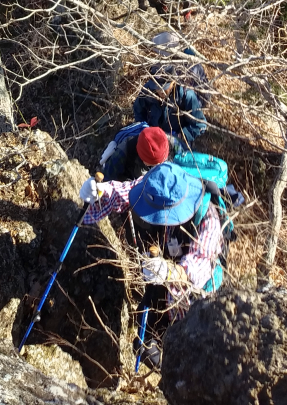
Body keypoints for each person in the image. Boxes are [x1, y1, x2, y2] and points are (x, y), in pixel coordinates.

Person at [79, 161, 223, 367]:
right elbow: (126, 192)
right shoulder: (157, 182)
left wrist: (168, 271)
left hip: (196, 299)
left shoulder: (208, 220)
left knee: (185, 354)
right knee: (147, 341)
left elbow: (198, 268)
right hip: (161, 278)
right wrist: (101, 192)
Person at [133, 71, 207, 147]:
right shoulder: (148, 90)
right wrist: (144, 129)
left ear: (173, 81)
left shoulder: (186, 95)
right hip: (152, 136)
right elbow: (138, 111)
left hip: (176, 138)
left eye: (164, 87)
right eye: (157, 87)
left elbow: (200, 124)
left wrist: (182, 136)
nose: (161, 91)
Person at [101, 125, 182, 182]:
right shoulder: (122, 153)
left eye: (161, 162)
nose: (158, 166)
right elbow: (107, 179)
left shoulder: (173, 143)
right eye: (153, 164)